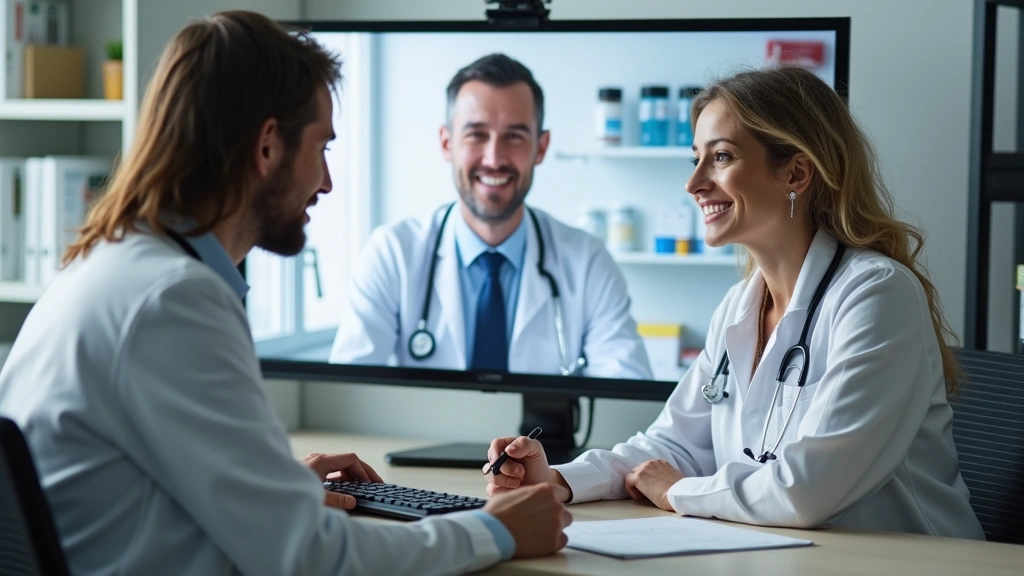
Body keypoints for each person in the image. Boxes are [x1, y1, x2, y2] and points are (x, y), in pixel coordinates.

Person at [0, 11, 572, 575]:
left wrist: (279, 482)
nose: (325, 182)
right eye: (321, 147)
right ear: (268, 145)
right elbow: (311, 560)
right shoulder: (173, 302)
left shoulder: (111, 267)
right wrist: (496, 529)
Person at [481, 65, 986, 539]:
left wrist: (678, 491)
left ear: (796, 174)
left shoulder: (877, 296)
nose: (694, 182)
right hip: (787, 554)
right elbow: (673, 444)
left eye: (720, 157)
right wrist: (560, 480)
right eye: (695, 158)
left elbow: (806, 489)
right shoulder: (739, 306)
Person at [329, 53, 653, 379]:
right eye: (476, 134)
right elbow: (348, 391)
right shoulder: (392, 253)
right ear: (446, 143)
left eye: (514, 136)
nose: (494, 158)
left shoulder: (588, 261)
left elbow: (626, 391)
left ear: (540, 148)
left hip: (545, 434)